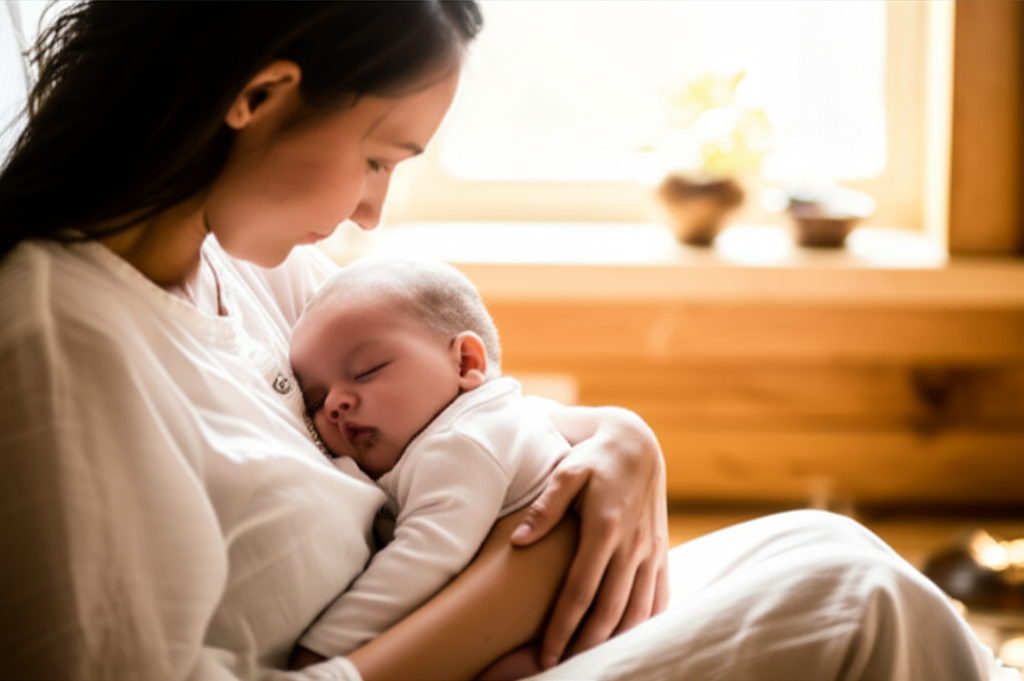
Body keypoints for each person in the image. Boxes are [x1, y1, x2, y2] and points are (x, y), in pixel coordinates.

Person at [0, 2, 1016, 681]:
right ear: (258, 97)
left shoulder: (247, 261)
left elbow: (442, 404)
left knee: (822, 543)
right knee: (850, 600)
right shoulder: (58, 341)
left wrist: (615, 435)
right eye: (376, 158)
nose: (370, 214)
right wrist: (517, 583)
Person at [288, 255, 571, 671]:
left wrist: (323, 649)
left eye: (366, 371)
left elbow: (428, 552)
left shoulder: (462, 438)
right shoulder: (468, 428)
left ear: (466, 363)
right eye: (315, 400)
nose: (334, 403)